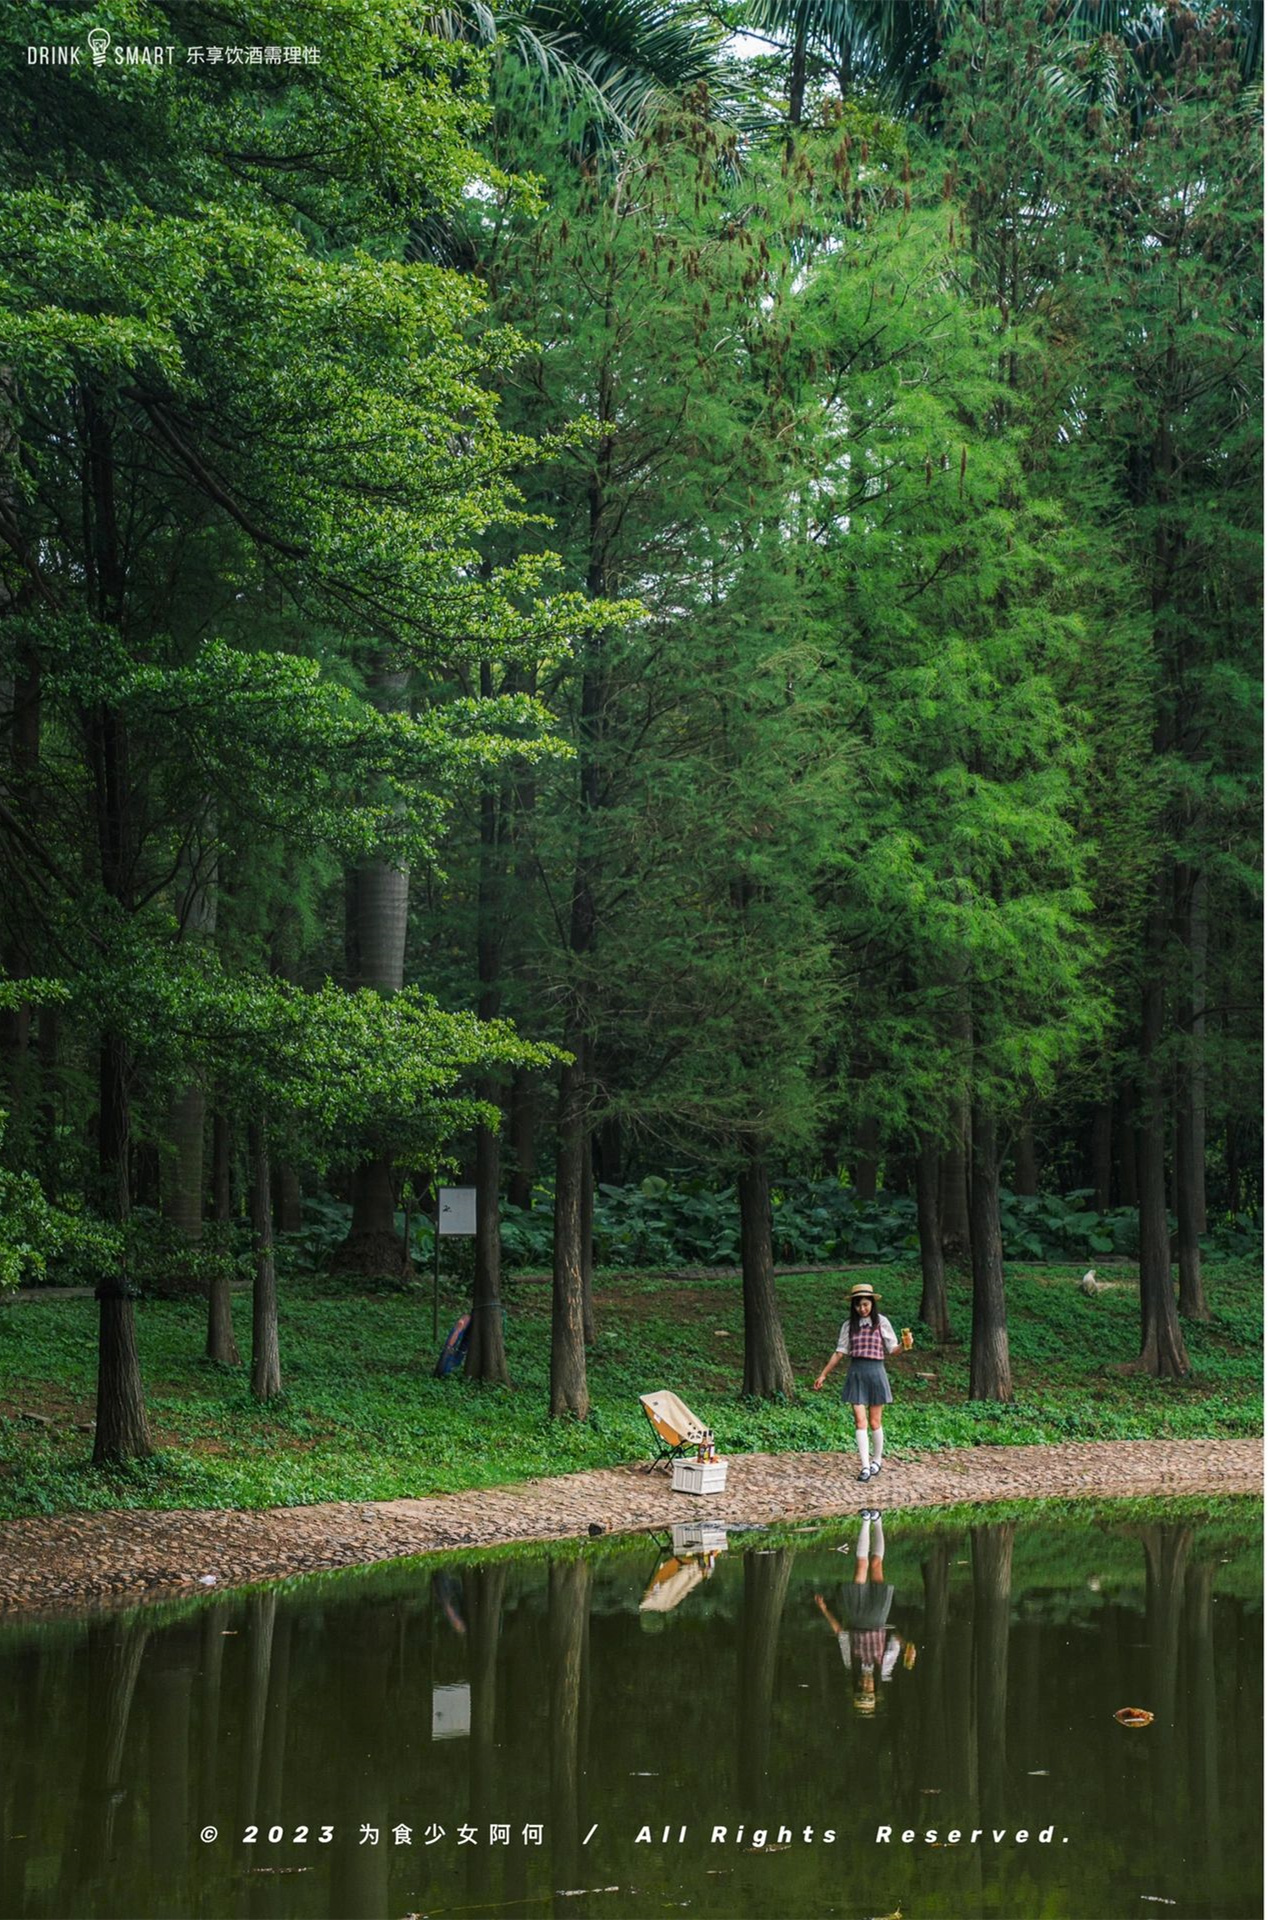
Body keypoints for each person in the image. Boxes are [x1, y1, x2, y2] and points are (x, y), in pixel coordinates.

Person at [814, 1511, 917, 1715]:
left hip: (856, 1615)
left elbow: (841, 1634)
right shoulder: (884, 1668)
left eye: (861, 1690)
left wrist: (825, 1609)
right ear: (874, 1689)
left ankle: (865, 1521)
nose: (864, 1686)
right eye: (868, 1691)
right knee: (877, 1565)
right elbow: (895, 1641)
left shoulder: (851, 1664)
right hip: (878, 1618)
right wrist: (907, 1646)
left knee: (861, 1566)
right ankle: (877, 1522)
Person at [811, 1281, 911, 1481]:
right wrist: (823, 1374)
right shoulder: (848, 1326)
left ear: (872, 1303)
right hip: (856, 1372)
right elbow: (840, 1352)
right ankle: (865, 1466)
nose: (862, 1309)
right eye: (858, 1305)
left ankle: (877, 1460)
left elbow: (892, 1350)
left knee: (875, 1422)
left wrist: (905, 1344)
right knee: (860, 1421)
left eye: (865, 1304)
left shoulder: (882, 1322)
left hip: (876, 1372)